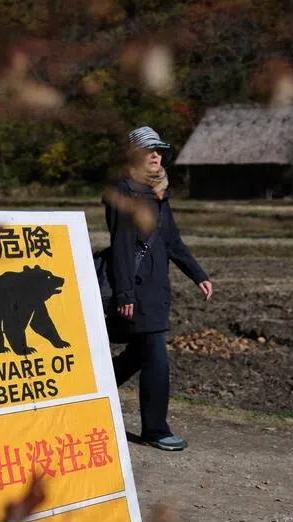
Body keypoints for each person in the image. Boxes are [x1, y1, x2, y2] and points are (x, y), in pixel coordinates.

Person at [103, 126, 214, 451]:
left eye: (159, 150)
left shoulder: (159, 193)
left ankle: (91, 392)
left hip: (156, 290)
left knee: (139, 354)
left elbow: (172, 241)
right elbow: (122, 246)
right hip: (136, 290)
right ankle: (155, 429)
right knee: (156, 357)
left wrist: (198, 274)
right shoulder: (124, 192)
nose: (156, 155)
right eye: (148, 150)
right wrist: (124, 293)